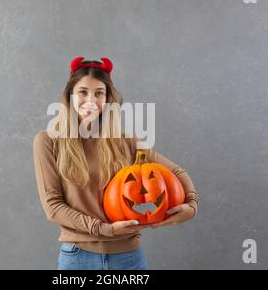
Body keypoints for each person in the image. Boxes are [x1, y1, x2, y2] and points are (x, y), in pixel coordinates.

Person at [32, 56, 199, 270]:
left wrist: (192, 206)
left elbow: (175, 171)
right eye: (83, 92)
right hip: (78, 258)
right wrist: (105, 230)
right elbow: (53, 207)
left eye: (99, 93)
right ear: (70, 96)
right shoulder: (47, 142)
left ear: (108, 99)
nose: (91, 100)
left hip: (128, 257)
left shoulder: (127, 142)